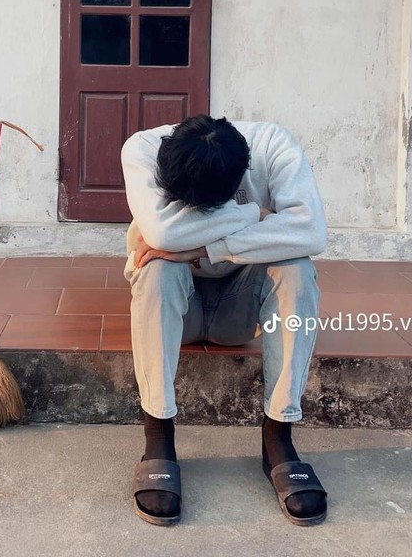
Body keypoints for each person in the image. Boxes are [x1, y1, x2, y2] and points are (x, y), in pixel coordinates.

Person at [120, 114, 328, 527]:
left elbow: (312, 233)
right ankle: (158, 438)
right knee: (158, 268)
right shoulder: (142, 148)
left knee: (297, 269)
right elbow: (160, 234)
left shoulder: (274, 148)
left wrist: (196, 247)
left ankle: (278, 438)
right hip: (182, 308)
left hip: (241, 308)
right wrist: (257, 214)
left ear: (241, 175)